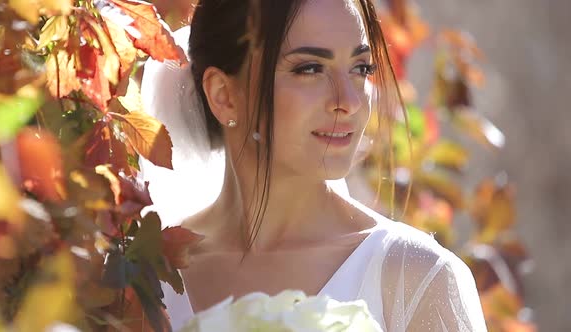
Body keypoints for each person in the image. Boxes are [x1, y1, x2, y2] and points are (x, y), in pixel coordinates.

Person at [139, 0, 487, 330]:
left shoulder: (415, 278)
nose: (348, 102)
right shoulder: (145, 276)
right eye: (310, 68)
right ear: (224, 96)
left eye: (360, 68)